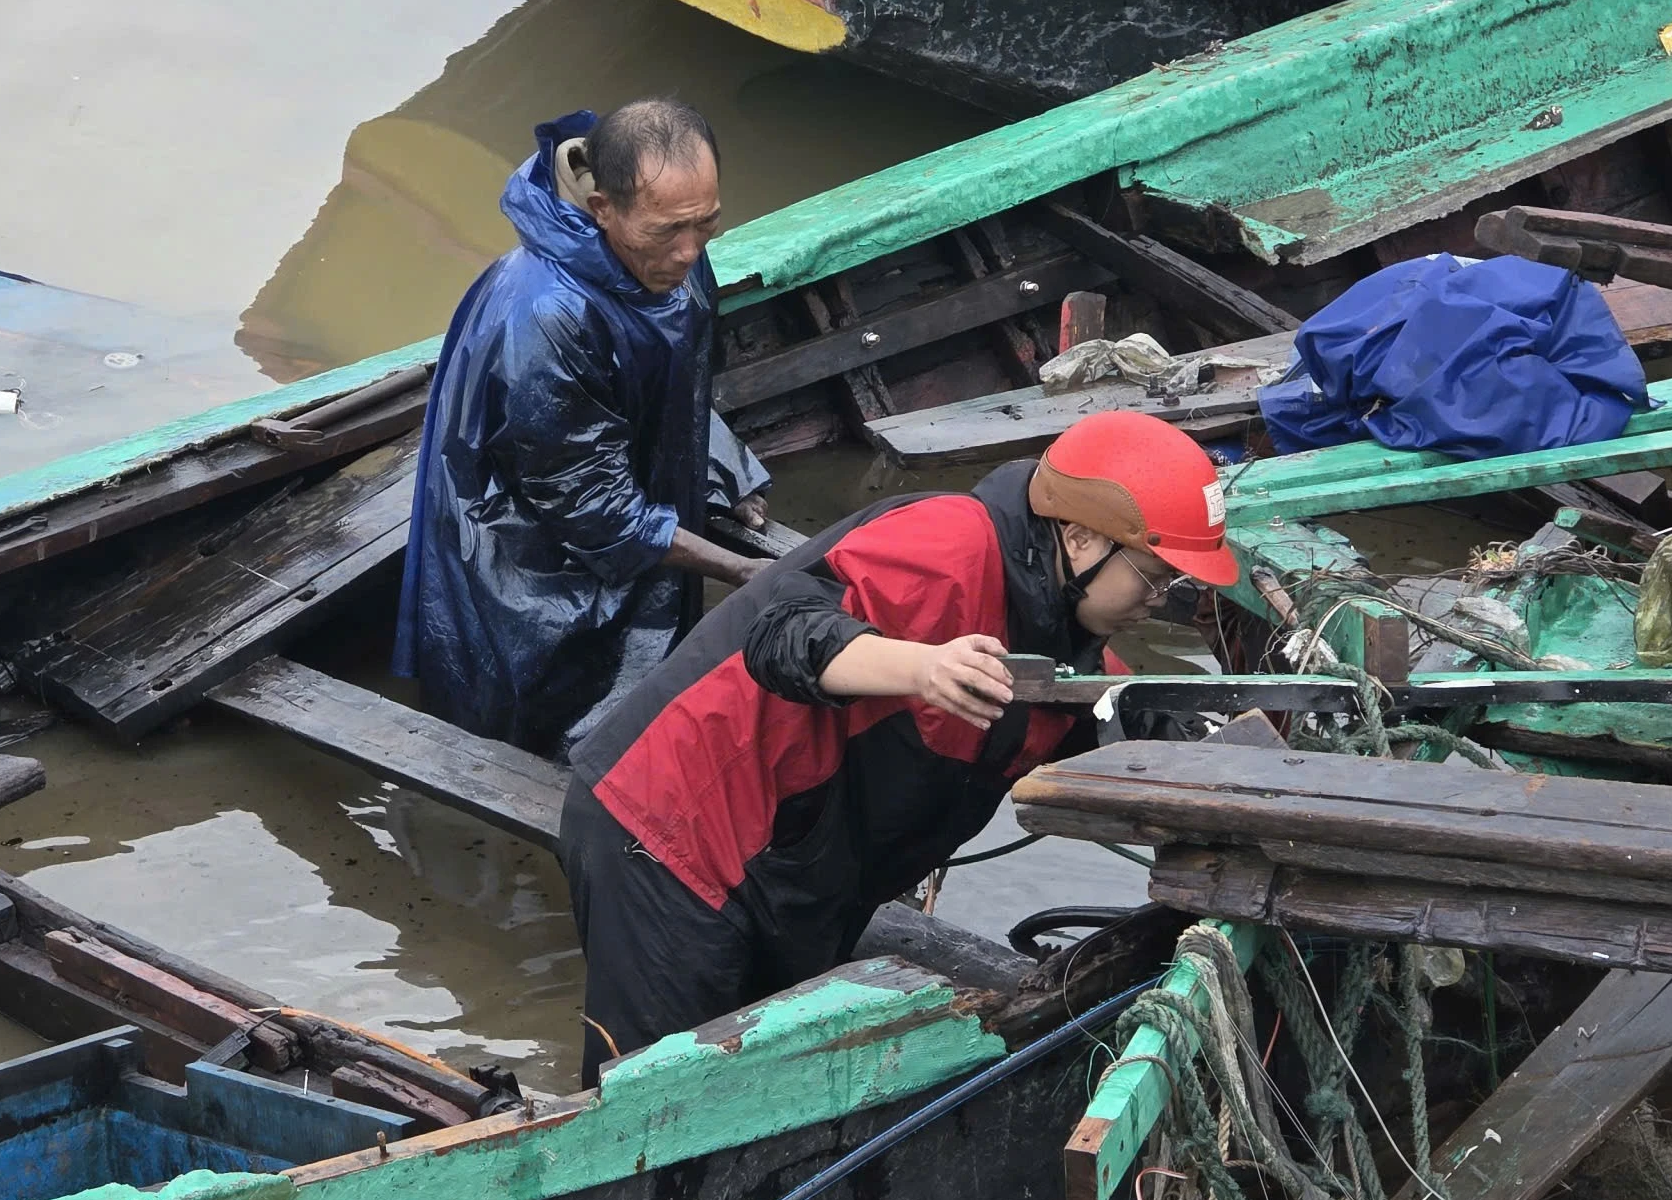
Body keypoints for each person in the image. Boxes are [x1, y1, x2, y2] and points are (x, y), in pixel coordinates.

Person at [559, 410, 1239, 1083]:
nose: (1157, 601)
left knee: (766, 1088)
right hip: (667, 831)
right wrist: (921, 666)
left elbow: (1113, 716)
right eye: (1153, 578)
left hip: (789, 869)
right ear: (1083, 539)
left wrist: (1222, 750)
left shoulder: (1057, 633)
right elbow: (781, 632)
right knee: (661, 1107)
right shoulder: (949, 546)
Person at [394, 100, 772, 761]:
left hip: (605, 486)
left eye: (706, 225)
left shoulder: (675, 253)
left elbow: (681, 386)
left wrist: (727, 473)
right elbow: (590, 508)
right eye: (669, 232)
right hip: (524, 540)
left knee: (652, 670)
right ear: (603, 209)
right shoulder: (548, 315)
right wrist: (740, 568)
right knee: (554, 711)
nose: (689, 252)